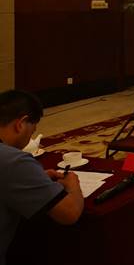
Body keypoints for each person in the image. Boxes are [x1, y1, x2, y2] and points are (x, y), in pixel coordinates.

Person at [0, 89, 84, 265]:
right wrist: (73, 184)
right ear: (21, 124)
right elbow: (69, 213)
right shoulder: (14, 161)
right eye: (32, 132)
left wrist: (36, 180)